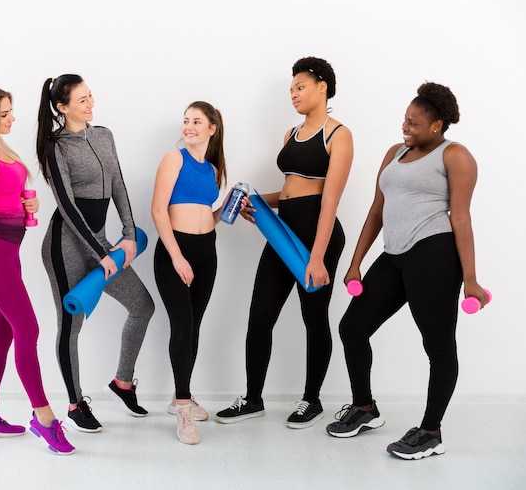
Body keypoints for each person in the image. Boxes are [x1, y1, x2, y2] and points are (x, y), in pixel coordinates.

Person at [326, 82, 487, 460]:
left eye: (414, 123)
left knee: (438, 346)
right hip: (394, 254)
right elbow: (377, 210)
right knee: (352, 328)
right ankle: (364, 408)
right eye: (405, 120)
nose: (406, 128)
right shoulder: (395, 153)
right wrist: (355, 262)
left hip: (434, 254)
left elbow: (461, 218)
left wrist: (470, 278)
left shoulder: (455, 155)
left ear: (437, 125)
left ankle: (431, 431)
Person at [216, 57, 353, 428]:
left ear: (322, 86)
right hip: (283, 226)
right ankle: (253, 398)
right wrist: (258, 204)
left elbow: (328, 200)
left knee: (313, 317)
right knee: (259, 316)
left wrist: (319, 257)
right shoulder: (290, 135)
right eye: (290, 90)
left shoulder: (338, 134)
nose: (293, 94)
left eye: (300, 87)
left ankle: (312, 400)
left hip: (318, 231)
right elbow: (292, 190)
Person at [0, 85, 75, 455]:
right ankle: (44, 418)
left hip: (10, 250)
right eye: (5, 113)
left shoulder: (3, 150)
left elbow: (10, 198)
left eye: (11, 111)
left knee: (5, 335)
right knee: (29, 328)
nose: (12, 118)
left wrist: (31, 202)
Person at [36, 74, 155, 433]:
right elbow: (67, 207)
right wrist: (96, 251)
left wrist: (130, 233)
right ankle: (74, 404)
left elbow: (117, 183)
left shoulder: (103, 135)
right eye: (82, 100)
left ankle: (123, 382)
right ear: (62, 107)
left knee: (143, 306)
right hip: (65, 246)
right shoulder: (55, 146)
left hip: (102, 243)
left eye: (91, 96)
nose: (91, 104)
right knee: (71, 325)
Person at [151, 101, 228, 445]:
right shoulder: (174, 158)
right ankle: (182, 406)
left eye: (197, 121)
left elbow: (207, 217)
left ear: (212, 128)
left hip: (206, 253)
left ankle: (180, 393)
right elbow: (158, 210)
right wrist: (177, 256)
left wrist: (225, 209)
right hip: (174, 252)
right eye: (186, 121)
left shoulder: (211, 169)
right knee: (182, 325)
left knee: (194, 326)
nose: (189, 126)